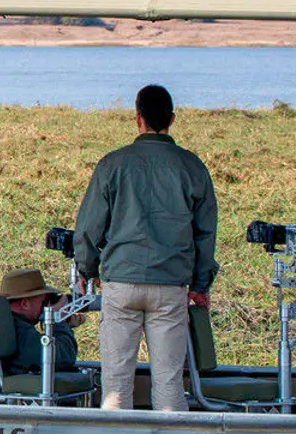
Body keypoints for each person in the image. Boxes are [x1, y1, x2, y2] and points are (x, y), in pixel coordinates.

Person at [74, 84, 218, 412]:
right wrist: (200, 285)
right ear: (172, 118)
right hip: (170, 285)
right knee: (168, 380)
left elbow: (88, 228)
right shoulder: (192, 166)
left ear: (138, 119)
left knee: (115, 381)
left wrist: (87, 270)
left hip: (121, 282)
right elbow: (205, 233)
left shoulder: (113, 164)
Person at [0, 267, 81, 377]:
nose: (46, 305)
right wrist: (57, 319)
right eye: (44, 300)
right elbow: (63, 358)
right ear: (25, 304)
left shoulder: (2, 323)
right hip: (19, 390)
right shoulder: (18, 331)